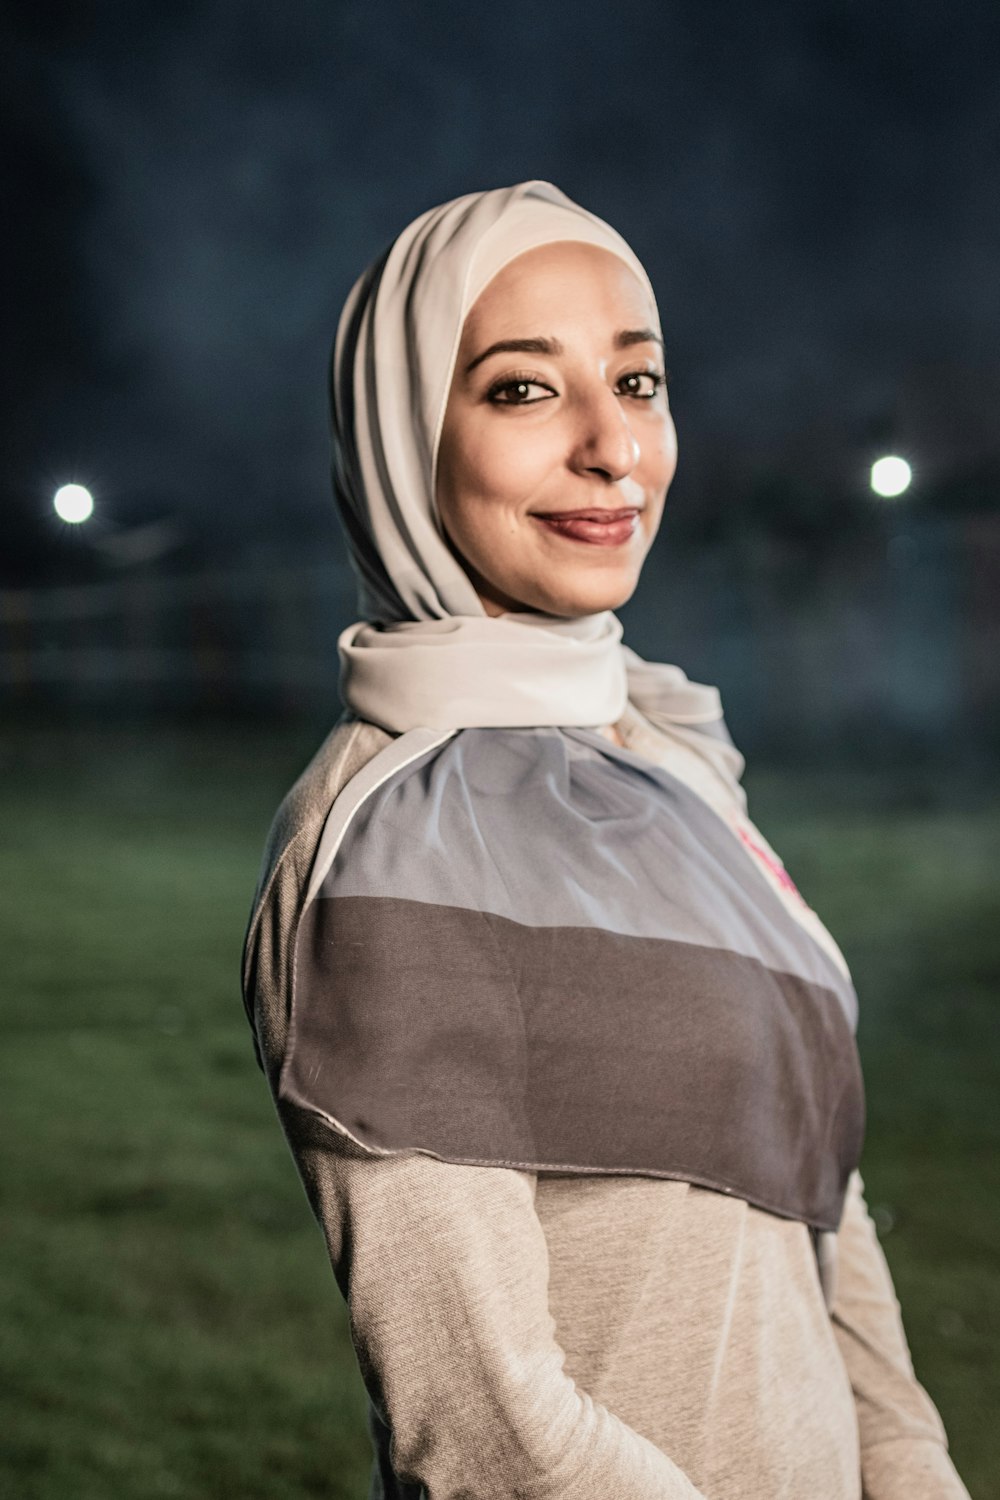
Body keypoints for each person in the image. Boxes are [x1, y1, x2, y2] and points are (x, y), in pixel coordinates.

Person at [242, 181, 970, 1500]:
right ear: (404, 436)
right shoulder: (391, 843)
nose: (612, 447)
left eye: (638, 384)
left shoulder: (668, 755)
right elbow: (485, 1430)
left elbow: (820, 1194)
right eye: (524, 390)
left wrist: (910, 1464)